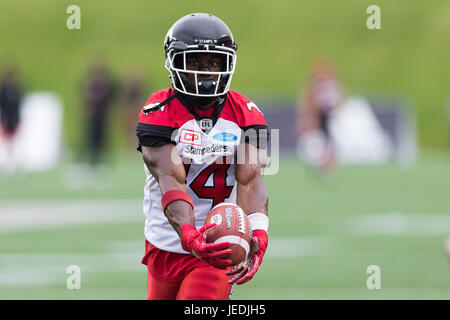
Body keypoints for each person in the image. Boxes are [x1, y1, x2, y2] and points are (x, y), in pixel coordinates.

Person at [136, 13, 269, 300]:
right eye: (195, 62)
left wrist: (258, 232)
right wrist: (188, 233)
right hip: (165, 243)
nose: (206, 71)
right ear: (174, 63)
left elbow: (251, 182)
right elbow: (170, 178)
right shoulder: (157, 112)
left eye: (214, 63)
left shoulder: (248, 114)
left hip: (219, 243)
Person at [296, 57, 346, 174]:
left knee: (330, 145)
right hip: (319, 121)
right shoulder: (314, 87)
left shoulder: (332, 86)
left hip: (330, 119)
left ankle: (326, 167)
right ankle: (322, 166)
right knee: (320, 145)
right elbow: (309, 105)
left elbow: (340, 100)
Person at [0, 62, 23, 172]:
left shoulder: (16, 89)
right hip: (6, 118)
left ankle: (15, 161)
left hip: (14, 118)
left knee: (15, 140)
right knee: (7, 141)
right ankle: (8, 161)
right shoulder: (3, 90)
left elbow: (18, 104)